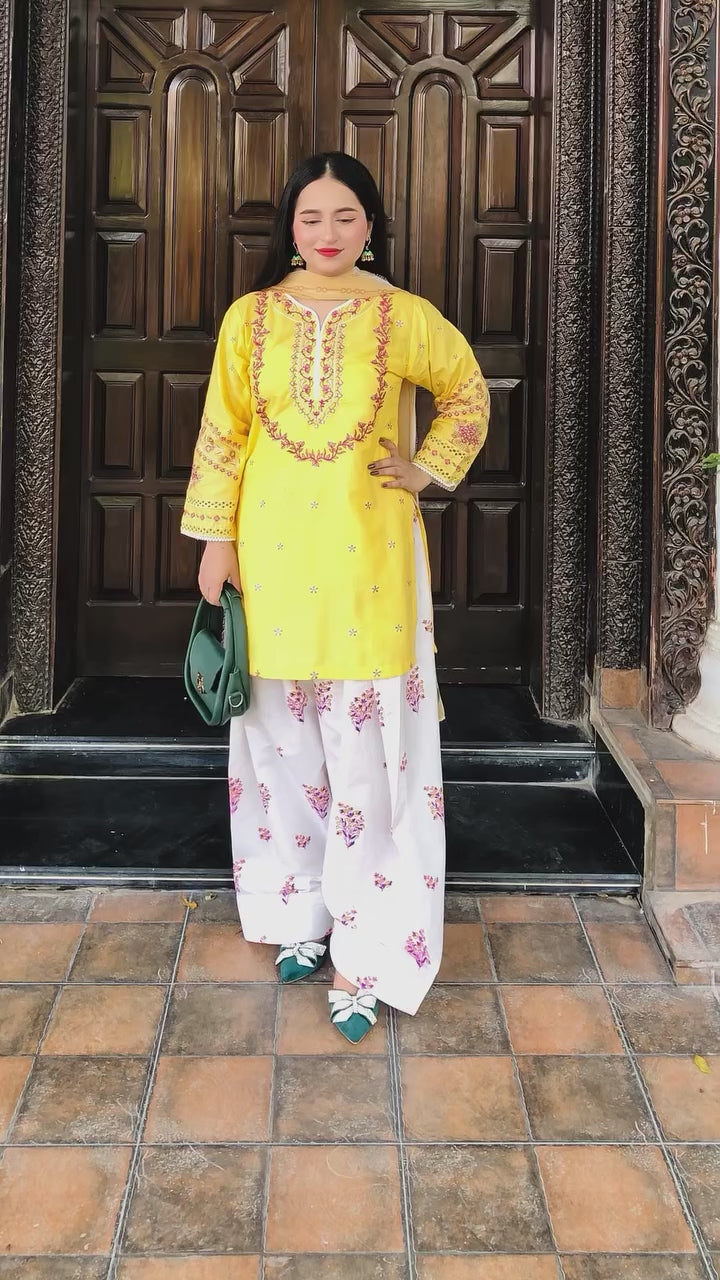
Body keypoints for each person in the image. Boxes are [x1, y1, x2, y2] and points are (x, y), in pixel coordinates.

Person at [181, 152, 489, 1042]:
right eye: (311, 217)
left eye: (345, 217)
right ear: (289, 225)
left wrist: (427, 469)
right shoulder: (250, 319)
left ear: (371, 225)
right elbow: (223, 433)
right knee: (280, 741)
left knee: (368, 757)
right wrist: (216, 541)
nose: (327, 234)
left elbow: (467, 392)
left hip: (370, 561)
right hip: (269, 559)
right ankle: (298, 909)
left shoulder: (402, 316)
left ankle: (368, 949)